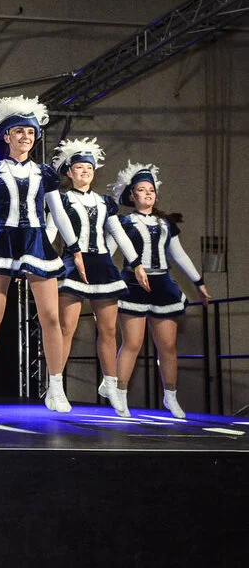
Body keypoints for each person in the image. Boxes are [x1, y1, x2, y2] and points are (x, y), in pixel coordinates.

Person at [0, 96, 86, 414]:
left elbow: (58, 213)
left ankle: (55, 387)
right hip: (1, 240)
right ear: (7, 136)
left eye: (30, 132)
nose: (25, 137)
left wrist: (75, 249)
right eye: (19, 131)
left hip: (36, 241)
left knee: (51, 317)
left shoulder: (46, 174)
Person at [48, 139, 149, 416]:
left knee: (108, 330)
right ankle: (55, 386)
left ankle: (111, 384)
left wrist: (137, 264)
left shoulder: (105, 202)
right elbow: (50, 232)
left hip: (103, 266)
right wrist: (37, 259)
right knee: (66, 328)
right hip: (73, 265)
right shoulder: (61, 199)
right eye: (79, 167)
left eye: (89, 167)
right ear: (69, 172)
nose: (85, 171)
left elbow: (118, 234)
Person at [110, 162, 209, 419]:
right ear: (132, 195)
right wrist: (102, 283)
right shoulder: (123, 222)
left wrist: (198, 282)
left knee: (168, 346)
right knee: (132, 343)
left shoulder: (166, 224)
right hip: (133, 285)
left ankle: (171, 396)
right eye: (141, 190)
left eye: (151, 190)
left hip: (163, 285)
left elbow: (179, 255)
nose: (148, 193)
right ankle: (120, 395)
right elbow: (108, 254)